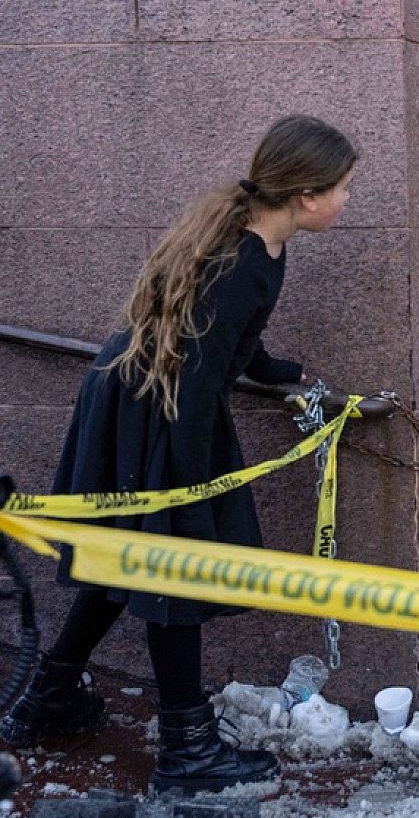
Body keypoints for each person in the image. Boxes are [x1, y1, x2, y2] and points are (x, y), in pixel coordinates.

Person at [0, 115, 357, 793]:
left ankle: (48, 696)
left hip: (149, 398)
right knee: (173, 569)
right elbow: (194, 383)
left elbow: (227, 343)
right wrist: (189, 487)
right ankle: (186, 752)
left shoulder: (262, 245)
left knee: (130, 557)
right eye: (342, 188)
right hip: (158, 408)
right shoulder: (245, 259)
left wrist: (278, 370)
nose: (346, 201)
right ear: (306, 195)